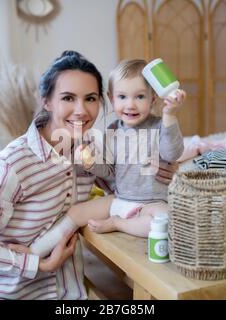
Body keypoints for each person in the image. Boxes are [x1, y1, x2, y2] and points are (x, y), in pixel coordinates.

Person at [0, 52, 178, 300]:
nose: (81, 110)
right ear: (47, 101)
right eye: (68, 98)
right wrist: (37, 264)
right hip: (0, 291)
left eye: (90, 98)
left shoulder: (91, 147)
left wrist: (170, 170)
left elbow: (123, 189)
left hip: (62, 290)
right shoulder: (14, 163)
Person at [29, 59, 186, 258]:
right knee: (77, 213)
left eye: (139, 96)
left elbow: (172, 153)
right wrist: (90, 163)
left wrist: (170, 115)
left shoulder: (160, 125)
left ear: (153, 98)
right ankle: (34, 252)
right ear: (111, 99)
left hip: (150, 205)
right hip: (119, 200)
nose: (130, 104)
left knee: (168, 220)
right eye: (122, 96)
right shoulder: (112, 130)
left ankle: (118, 224)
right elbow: (110, 172)